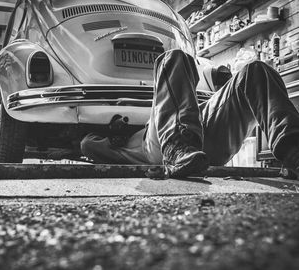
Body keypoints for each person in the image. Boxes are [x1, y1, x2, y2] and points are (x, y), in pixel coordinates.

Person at [80, 49, 299, 178]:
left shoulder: (163, 110)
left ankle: (294, 153)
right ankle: (178, 149)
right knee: (173, 57)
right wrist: (114, 134)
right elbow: (88, 144)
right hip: (167, 152)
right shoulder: (123, 146)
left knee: (256, 71)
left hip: (204, 141)